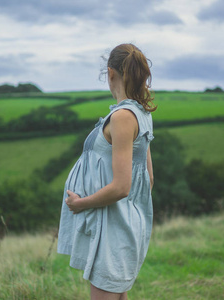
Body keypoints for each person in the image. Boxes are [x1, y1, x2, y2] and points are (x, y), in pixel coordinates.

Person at [57, 43, 157, 300]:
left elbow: (122, 186)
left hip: (114, 225)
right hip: (121, 223)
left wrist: (81, 204)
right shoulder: (141, 113)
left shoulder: (124, 117)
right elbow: (148, 178)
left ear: (110, 73)